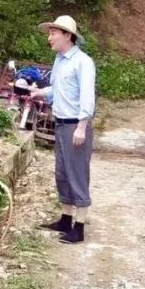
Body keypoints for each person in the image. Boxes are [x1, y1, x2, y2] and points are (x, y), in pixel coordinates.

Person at [30, 15, 96, 245]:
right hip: (60, 123)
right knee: (62, 173)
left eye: (53, 33)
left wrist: (82, 127)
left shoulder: (83, 62)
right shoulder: (60, 60)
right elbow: (57, 88)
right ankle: (66, 219)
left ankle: (79, 228)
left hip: (75, 126)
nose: (49, 38)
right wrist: (41, 93)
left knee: (77, 173)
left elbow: (87, 97)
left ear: (67, 36)